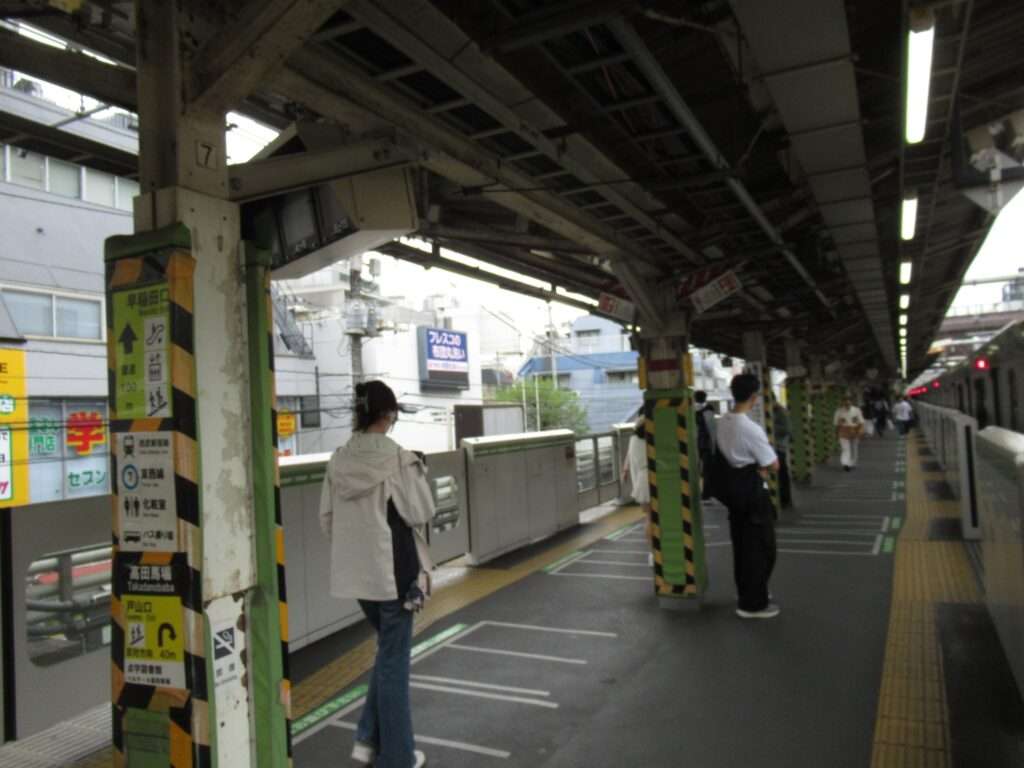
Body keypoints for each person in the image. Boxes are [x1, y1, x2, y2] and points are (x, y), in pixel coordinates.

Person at [319, 380, 432, 768]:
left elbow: (326, 519)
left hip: (358, 579)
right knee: (394, 665)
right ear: (388, 414)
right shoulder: (399, 460)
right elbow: (421, 511)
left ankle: (367, 740)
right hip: (396, 579)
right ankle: (397, 757)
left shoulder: (337, 459)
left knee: (388, 655)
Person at [711, 374, 781, 619]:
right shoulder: (750, 428)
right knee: (762, 549)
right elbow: (773, 464)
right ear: (754, 397)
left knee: (742, 546)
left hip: (734, 493)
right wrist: (761, 467)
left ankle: (749, 592)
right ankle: (752, 605)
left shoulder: (724, 422)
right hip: (752, 494)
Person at [622, 418, 653, 565]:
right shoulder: (654, 440)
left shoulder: (633, 439)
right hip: (654, 479)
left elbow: (631, 462)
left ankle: (652, 553)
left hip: (642, 481)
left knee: (649, 518)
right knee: (657, 518)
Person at [694, 391, 717, 501]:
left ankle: (694, 492)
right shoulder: (709, 410)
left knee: (694, 470)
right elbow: (712, 430)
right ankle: (707, 494)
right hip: (706, 445)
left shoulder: (689, 410)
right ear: (705, 398)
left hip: (694, 444)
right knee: (707, 471)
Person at [833, 394, 865, 471]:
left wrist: (861, 431)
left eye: (849, 401)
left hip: (855, 431)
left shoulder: (857, 410)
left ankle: (853, 463)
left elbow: (861, 422)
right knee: (845, 449)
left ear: (851, 402)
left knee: (854, 448)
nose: (847, 403)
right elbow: (836, 424)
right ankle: (846, 464)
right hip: (843, 432)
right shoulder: (838, 411)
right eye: (845, 401)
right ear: (842, 402)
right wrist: (836, 433)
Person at [772, 402, 792, 508]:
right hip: (772, 447)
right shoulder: (772, 411)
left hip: (779, 448)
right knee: (779, 474)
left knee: (781, 474)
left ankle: (785, 498)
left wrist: (770, 426)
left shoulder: (781, 413)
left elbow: (787, 430)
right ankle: (782, 498)